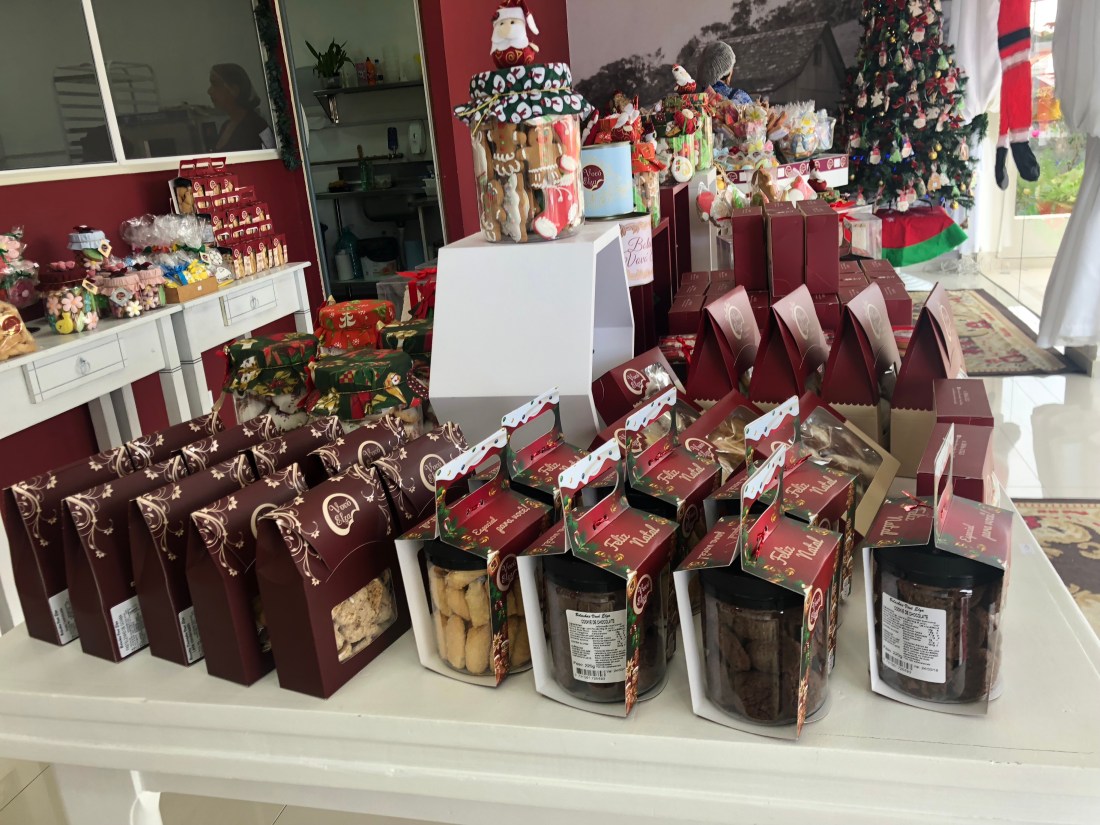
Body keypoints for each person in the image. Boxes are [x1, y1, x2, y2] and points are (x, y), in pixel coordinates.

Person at [207, 63, 272, 152]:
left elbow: (273, 154)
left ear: (234, 90)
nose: (209, 91)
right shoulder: (225, 126)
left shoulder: (259, 126)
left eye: (215, 84)